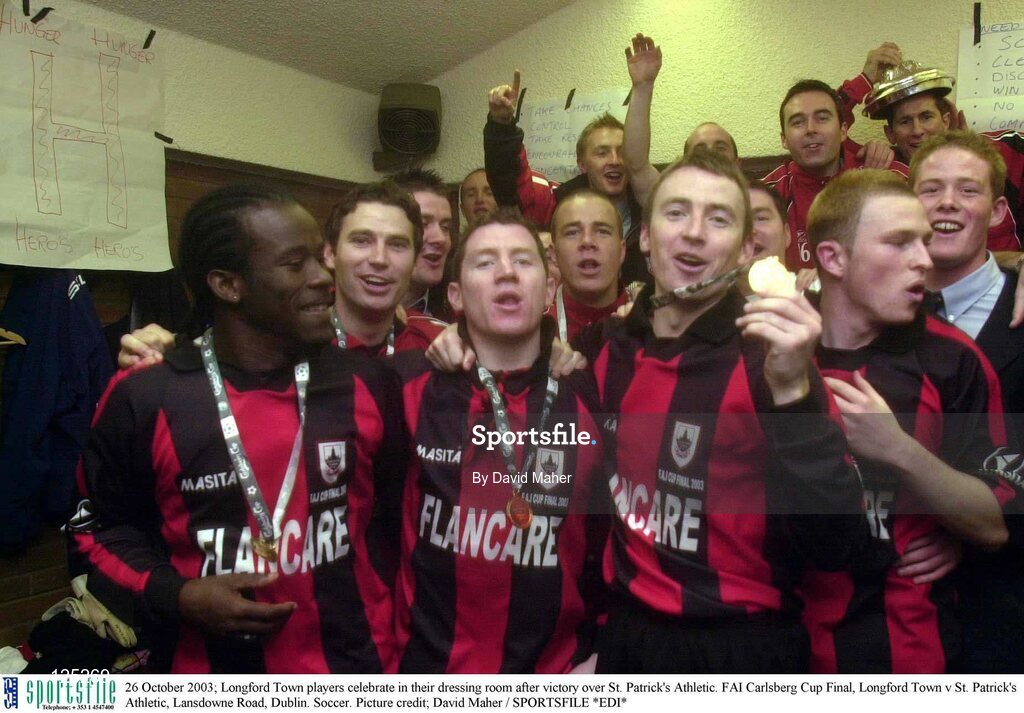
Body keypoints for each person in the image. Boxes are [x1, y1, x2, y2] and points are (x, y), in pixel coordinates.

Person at [68, 185, 408, 673]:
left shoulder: (367, 383)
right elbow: (95, 530)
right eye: (296, 264)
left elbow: (398, 520)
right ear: (228, 285)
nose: (324, 276)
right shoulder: (148, 396)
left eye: (320, 258)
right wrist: (178, 595)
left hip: (359, 668)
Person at [572, 149, 877, 673]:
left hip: (743, 647)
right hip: (628, 636)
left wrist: (793, 394)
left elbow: (836, 545)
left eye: (718, 219)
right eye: (676, 213)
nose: (694, 233)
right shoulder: (605, 347)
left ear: (745, 250)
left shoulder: (772, 357)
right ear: (644, 236)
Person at [801, 169, 1015, 672]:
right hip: (780, 649)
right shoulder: (775, 348)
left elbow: (996, 525)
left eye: (924, 241)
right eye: (900, 243)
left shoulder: (953, 360)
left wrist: (899, 450)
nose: (924, 259)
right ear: (832, 258)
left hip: (912, 655)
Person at [390, 209, 607, 673]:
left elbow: (618, 540)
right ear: (455, 296)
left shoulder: (592, 392)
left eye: (523, 261)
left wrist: (599, 649)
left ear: (549, 288)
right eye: (485, 263)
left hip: (558, 675)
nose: (506, 272)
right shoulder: (406, 387)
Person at [910, 131, 1024, 672]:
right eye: (930, 189)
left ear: (998, 210)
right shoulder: (873, 316)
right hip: (896, 601)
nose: (947, 202)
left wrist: (972, 533)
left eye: (967, 190)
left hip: (1004, 604)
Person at [117, 182, 446, 367]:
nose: (379, 259)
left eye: (398, 245)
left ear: (415, 260)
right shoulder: (277, 337)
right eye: (361, 241)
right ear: (329, 254)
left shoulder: (441, 344)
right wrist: (162, 351)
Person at [483, 73, 648, 286]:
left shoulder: (650, 207)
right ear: (582, 164)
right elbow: (509, 180)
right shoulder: (556, 203)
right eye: (602, 153)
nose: (615, 161)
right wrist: (502, 125)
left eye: (622, 152)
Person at [765, 76, 908, 272]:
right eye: (798, 122)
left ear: (843, 130)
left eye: (822, 118)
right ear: (784, 139)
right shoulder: (767, 194)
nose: (810, 129)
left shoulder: (887, 176)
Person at [867, 80, 1022, 251]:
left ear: (946, 120)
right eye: (905, 121)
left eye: (926, 117)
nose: (917, 131)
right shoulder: (883, 177)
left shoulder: (1002, 151)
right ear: (890, 134)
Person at [547, 190, 629, 341]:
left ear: (622, 250)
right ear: (553, 255)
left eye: (602, 231)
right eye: (572, 232)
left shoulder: (655, 324)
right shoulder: (536, 335)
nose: (587, 241)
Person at [391, 168, 455, 319]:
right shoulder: (340, 319)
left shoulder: (458, 315)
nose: (440, 238)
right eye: (423, 224)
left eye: (445, 227)